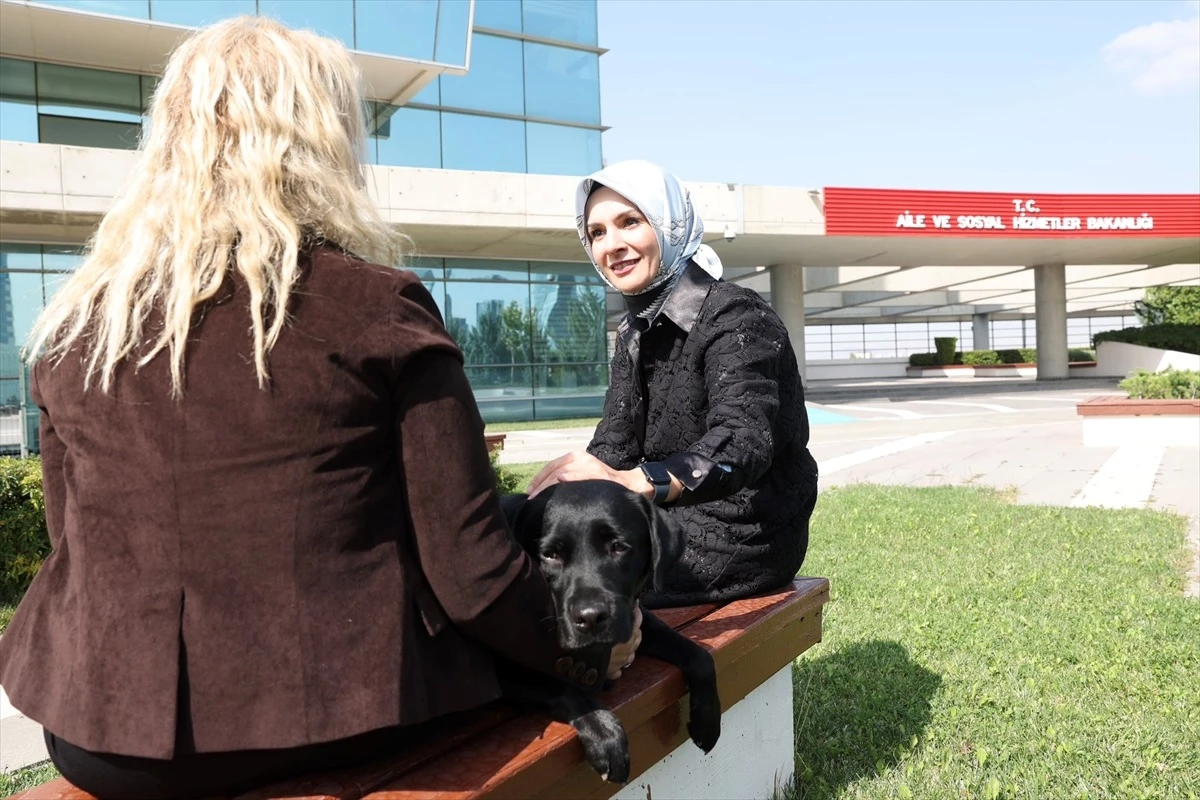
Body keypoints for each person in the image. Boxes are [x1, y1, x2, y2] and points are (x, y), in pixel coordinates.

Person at [0, 16, 638, 800]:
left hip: (96, 736)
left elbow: (72, 543)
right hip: (328, 721)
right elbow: (469, 570)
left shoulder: (74, 327)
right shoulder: (377, 307)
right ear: (322, 144)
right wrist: (582, 651)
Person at [528, 160, 819, 609]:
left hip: (750, 530)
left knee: (575, 581)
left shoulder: (736, 316)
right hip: (668, 517)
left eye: (630, 222)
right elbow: (614, 445)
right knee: (536, 552)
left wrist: (638, 480)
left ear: (668, 223)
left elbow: (743, 442)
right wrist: (561, 491)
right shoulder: (634, 331)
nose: (613, 245)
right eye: (598, 232)